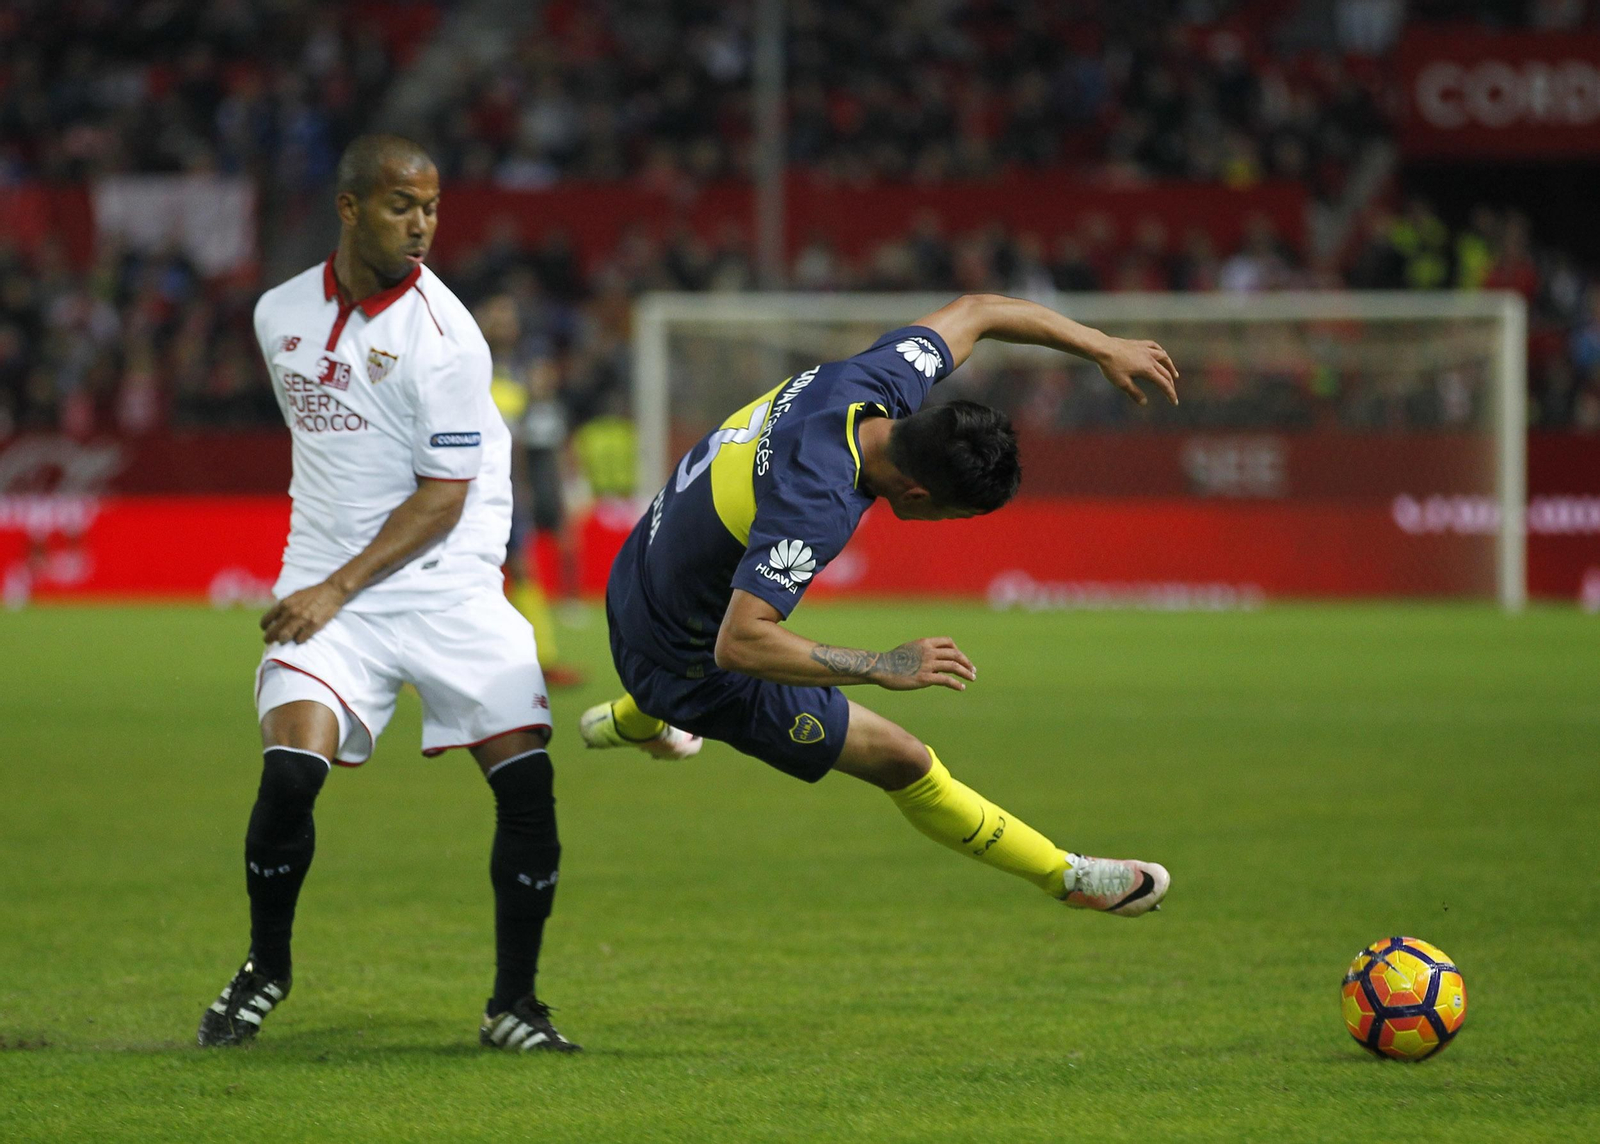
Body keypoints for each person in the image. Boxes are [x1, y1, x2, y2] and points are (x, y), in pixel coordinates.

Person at [582, 295, 1178, 915]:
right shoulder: (814, 503)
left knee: (714, 627)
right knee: (904, 759)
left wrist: (1103, 346)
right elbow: (740, 644)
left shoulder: (874, 382)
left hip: (635, 571)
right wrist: (882, 665)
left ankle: (640, 720)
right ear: (918, 494)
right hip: (683, 660)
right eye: (955, 515)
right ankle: (1066, 876)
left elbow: (978, 311)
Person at [197, 135, 578, 1053]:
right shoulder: (278, 315)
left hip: (448, 589)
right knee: (290, 773)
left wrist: (334, 585)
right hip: (330, 591)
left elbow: (442, 500)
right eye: (403, 205)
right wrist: (325, 576)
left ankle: (514, 1005)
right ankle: (266, 968)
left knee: (527, 785)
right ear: (350, 207)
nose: (422, 224)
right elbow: (331, 447)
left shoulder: (448, 340)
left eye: (432, 208)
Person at [480, 293, 583, 687]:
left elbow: (519, 441)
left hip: (506, 489)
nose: (505, 326)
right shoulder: (468, 364)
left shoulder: (519, 372)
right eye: (497, 318)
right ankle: (421, 666)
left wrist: (520, 487)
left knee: (524, 571)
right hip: (464, 488)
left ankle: (544, 660)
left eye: (510, 319)